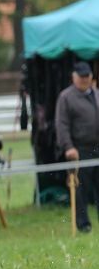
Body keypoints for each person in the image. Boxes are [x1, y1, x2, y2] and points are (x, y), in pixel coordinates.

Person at [55, 60, 99, 233]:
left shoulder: (96, 93)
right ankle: (83, 224)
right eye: (81, 77)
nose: (85, 79)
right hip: (79, 150)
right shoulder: (66, 97)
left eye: (87, 76)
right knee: (80, 189)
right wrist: (68, 146)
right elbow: (62, 125)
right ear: (74, 78)